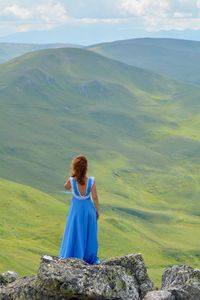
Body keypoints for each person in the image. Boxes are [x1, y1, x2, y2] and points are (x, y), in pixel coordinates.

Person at [59, 154, 100, 264]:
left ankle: (73, 256)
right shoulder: (91, 181)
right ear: (86, 168)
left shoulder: (72, 181)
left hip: (76, 212)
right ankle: (87, 258)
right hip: (88, 211)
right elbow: (95, 197)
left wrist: (73, 175)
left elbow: (66, 187)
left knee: (75, 232)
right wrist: (97, 211)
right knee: (88, 234)